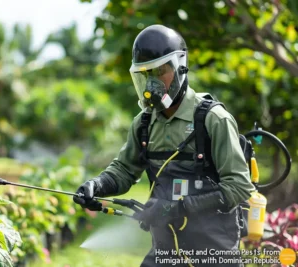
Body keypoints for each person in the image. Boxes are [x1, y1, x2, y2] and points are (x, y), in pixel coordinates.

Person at [73, 24, 256, 267]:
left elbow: (240, 186)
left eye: (160, 72)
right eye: (146, 75)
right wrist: (97, 185)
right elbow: (124, 171)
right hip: (166, 251)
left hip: (213, 252)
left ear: (180, 67)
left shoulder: (213, 119)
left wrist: (180, 207)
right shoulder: (144, 123)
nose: (152, 84)